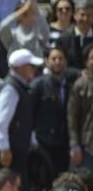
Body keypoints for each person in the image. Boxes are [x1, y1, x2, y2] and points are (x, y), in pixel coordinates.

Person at [0, 48, 43, 191]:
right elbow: (0, 121)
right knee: (12, 187)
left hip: (20, 148)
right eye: (30, 66)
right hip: (12, 150)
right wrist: (4, 148)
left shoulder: (22, 87)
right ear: (20, 68)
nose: (33, 70)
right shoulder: (11, 89)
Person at [31, 45, 79, 178]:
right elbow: (29, 113)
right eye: (54, 58)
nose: (57, 62)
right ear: (47, 61)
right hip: (43, 144)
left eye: (61, 58)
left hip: (63, 144)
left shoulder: (71, 85)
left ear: (66, 62)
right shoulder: (38, 85)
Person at [68, 44, 93, 170]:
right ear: (87, 62)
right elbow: (72, 116)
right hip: (87, 147)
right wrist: (74, 145)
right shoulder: (80, 85)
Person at [62, 2, 93, 69]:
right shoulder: (64, 39)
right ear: (75, 15)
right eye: (82, 15)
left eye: (89, 15)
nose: (85, 19)